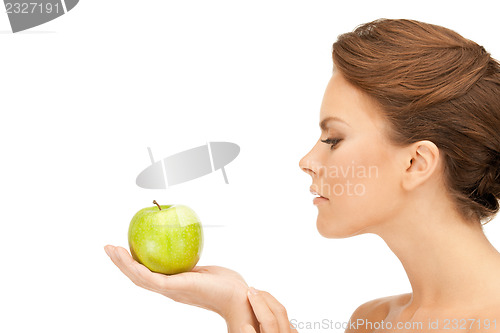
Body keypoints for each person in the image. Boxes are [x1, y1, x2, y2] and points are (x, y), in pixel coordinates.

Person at [104, 18, 500, 333]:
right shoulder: (372, 322)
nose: (307, 160)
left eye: (333, 138)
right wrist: (237, 307)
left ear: (416, 163)